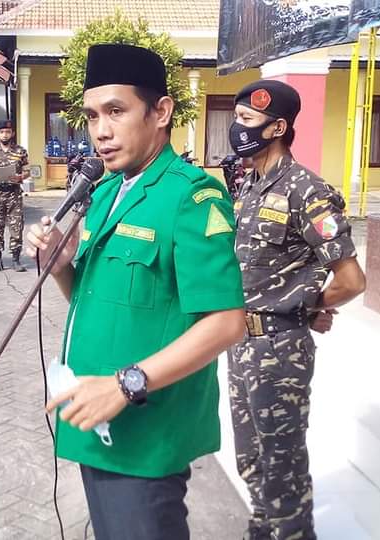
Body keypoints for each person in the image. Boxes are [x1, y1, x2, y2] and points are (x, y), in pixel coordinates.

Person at [29, 43, 248, 539]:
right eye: (90, 117)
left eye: (116, 111)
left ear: (161, 112)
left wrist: (125, 384)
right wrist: (61, 266)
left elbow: (225, 322)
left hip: (145, 435)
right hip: (96, 422)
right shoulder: (105, 192)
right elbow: (95, 302)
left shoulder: (191, 196)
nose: (101, 131)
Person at [227, 80, 366, 540]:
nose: (237, 128)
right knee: (250, 460)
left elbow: (350, 281)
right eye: (238, 117)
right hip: (239, 342)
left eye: (248, 120)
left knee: (281, 466)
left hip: (278, 350)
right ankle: (261, 531)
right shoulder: (247, 183)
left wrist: (304, 306)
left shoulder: (308, 191)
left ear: (278, 127)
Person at [0, 119, 29, 272]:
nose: (5, 135)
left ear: (13, 134)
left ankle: (16, 260)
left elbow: (28, 170)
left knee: (16, 228)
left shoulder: (20, 151)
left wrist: (20, 177)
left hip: (14, 194)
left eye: (8, 132)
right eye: (2, 132)